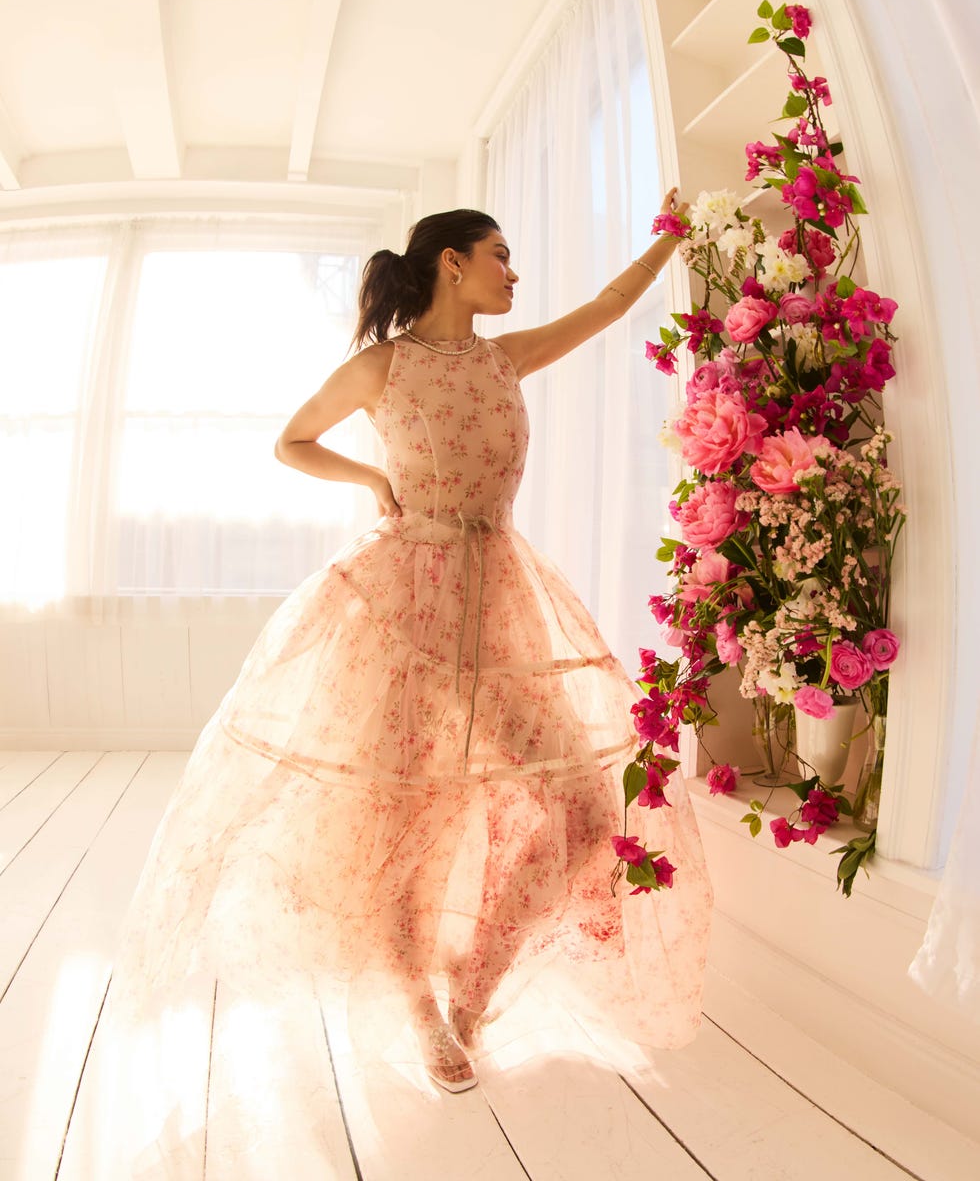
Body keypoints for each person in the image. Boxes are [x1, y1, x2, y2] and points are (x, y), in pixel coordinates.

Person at [99, 189, 712, 1145]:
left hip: (501, 596)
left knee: (589, 810)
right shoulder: (382, 366)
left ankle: (470, 991)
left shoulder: (507, 358)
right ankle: (421, 1013)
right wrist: (374, 479)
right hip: (403, 604)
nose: (514, 272)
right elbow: (291, 440)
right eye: (499, 255)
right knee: (396, 819)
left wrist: (669, 237)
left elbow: (604, 311)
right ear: (450, 265)